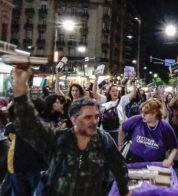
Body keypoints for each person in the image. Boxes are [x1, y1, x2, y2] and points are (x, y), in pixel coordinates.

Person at [11, 65, 130, 196]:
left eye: (96, 116)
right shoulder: (59, 138)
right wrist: (20, 86)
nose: (94, 121)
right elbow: (29, 125)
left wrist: (124, 191)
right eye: (88, 117)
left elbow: (118, 165)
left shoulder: (103, 138)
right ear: (73, 120)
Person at [118, 99, 178, 167]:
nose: (142, 115)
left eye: (146, 113)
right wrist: (120, 145)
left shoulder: (165, 126)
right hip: (134, 160)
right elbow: (122, 128)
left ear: (155, 113)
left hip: (156, 162)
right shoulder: (137, 119)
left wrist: (169, 160)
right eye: (142, 112)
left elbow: (174, 147)